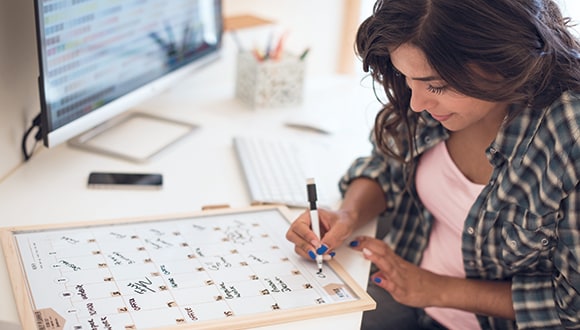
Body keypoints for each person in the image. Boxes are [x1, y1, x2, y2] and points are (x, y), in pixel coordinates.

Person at [285, 0, 580, 329]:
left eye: (437, 85)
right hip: (407, 283)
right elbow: (386, 166)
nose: (417, 103)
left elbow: (572, 305)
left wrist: (434, 289)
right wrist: (348, 214)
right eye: (407, 78)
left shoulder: (570, 135)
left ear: (502, 60)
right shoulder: (430, 95)